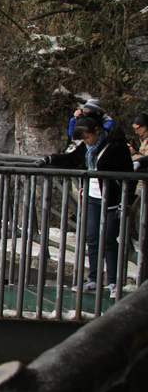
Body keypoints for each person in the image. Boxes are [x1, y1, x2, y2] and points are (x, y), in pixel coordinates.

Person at [40, 116, 132, 295]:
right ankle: (94, 279)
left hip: (112, 200)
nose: (86, 141)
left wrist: (125, 201)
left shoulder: (116, 146)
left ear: (97, 131)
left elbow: (128, 172)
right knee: (92, 238)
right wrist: (50, 159)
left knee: (109, 240)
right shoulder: (87, 147)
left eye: (87, 136)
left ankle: (114, 282)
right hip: (92, 197)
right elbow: (72, 159)